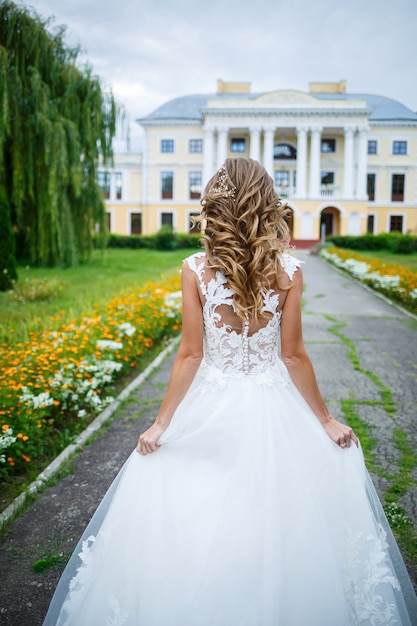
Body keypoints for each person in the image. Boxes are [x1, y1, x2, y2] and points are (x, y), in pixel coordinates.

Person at [44, 158, 417, 625]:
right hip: (273, 402)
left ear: (216, 203)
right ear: (265, 202)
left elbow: (191, 355)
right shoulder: (290, 271)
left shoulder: (195, 269)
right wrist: (323, 419)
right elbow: (294, 355)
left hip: (211, 403)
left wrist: (163, 423)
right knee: (281, 518)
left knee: (195, 510)